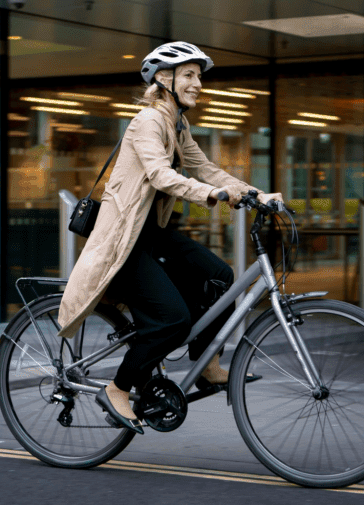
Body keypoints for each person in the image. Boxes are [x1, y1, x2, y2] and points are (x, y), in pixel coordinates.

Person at [56, 41, 282, 434]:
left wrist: (256, 195)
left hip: (152, 233)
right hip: (124, 239)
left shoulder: (177, 124)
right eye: (189, 75)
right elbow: (161, 175)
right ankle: (117, 388)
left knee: (220, 277)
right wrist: (211, 194)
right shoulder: (147, 121)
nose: (198, 84)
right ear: (164, 78)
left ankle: (207, 364)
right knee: (172, 320)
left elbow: (205, 168)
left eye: (199, 76)